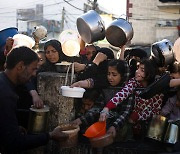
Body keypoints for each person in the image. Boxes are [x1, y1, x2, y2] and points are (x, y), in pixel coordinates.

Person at [0, 46, 68, 153]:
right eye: (33, 69)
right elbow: (14, 143)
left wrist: (13, 127)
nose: (34, 74)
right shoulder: (5, 94)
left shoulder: (3, 82)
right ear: (20, 66)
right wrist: (50, 136)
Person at [99, 59, 164, 139]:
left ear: (150, 73)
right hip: (133, 127)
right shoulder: (133, 82)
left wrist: (138, 116)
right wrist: (107, 107)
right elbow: (122, 93)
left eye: (142, 70)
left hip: (151, 130)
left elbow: (155, 111)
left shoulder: (157, 88)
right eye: (138, 68)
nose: (137, 71)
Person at [71, 59, 133, 142]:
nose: (110, 77)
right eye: (108, 74)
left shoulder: (128, 90)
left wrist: (114, 126)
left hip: (120, 126)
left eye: (114, 75)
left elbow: (125, 113)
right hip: (103, 125)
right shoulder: (106, 87)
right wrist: (81, 120)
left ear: (122, 76)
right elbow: (98, 107)